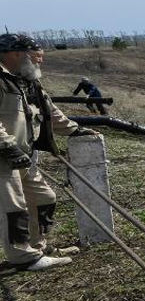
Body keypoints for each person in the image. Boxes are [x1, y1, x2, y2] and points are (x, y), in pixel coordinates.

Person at [0, 34, 98, 271]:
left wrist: (76, 131)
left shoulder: (27, 80)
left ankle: (38, 247)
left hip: (24, 157)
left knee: (44, 199)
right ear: (16, 54)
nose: (40, 62)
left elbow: (50, 112)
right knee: (14, 209)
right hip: (4, 158)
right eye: (36, 57)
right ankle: (23, 257)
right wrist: (7, 146)